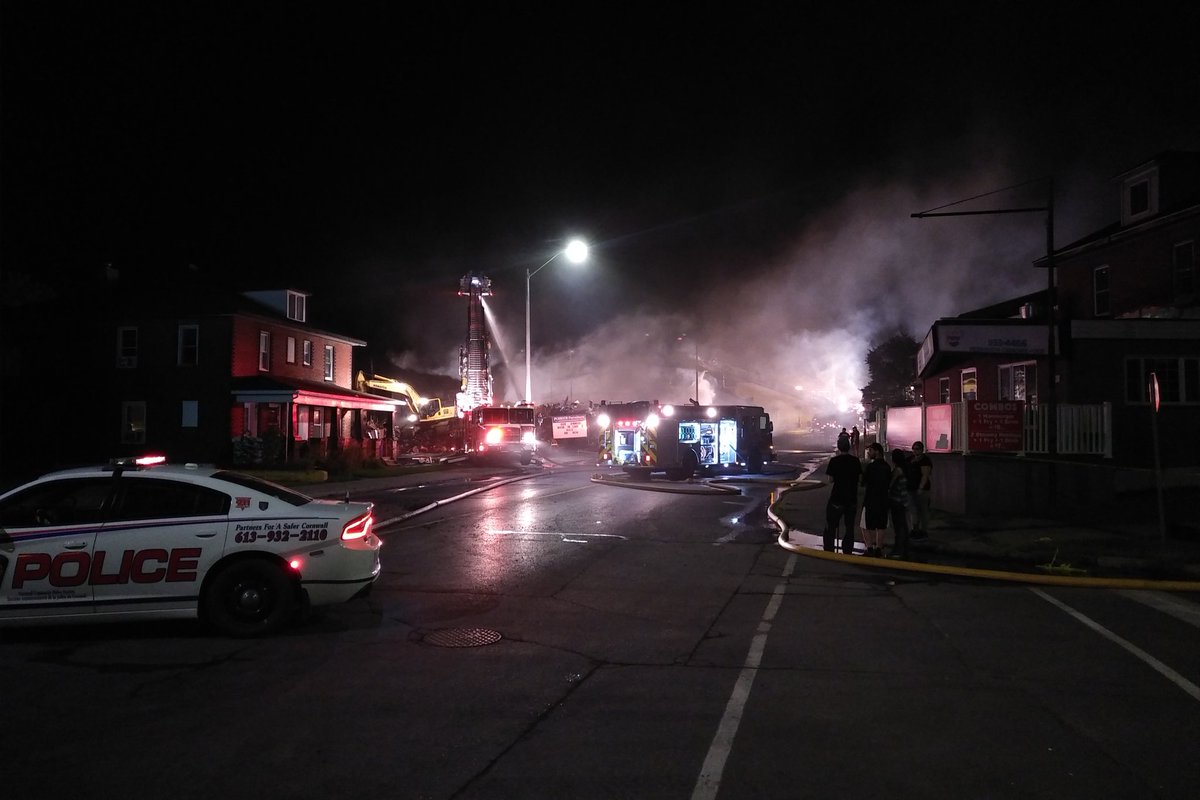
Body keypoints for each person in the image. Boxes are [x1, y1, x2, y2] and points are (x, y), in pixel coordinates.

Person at [823, 436, 862, 553]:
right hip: (851, 498)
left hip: (837, 498)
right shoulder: (855, 461)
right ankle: (847, 549)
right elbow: (859, 478)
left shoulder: (834, 461)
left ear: (839, 447)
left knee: (831, 525)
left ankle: (829, 549)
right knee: (849, 527)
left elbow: (830, 480)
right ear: (849, 447)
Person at [860, 442, 891, 557]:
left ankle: (869, 547)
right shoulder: (887, 467)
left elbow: (864, 482)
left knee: (865, 525)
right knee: (881, 525)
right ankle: (879, 547)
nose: (869, 453)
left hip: (870, 500)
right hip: (883, 499)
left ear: (877, 451)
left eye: (871, 450)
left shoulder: (871, 467)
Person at [888, 449, 911, 558]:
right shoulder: (906, 468)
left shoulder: (897, 470)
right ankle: (905, 548)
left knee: (898, 526)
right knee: (904, 525)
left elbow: (890, 485)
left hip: (896, 500)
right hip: (904, 500)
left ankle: (898, 549)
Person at [907, 440, 933, 539]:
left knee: (923, 510)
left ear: (921, 450)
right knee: (913, 510)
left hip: (922, 489)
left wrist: (921, 488)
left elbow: (925, 475)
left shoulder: (925, 460)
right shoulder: (910, 459)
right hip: (911, 488)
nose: (914, 451)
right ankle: (915, 529)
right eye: (913, 448)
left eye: (917, 449)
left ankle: (923, 530)